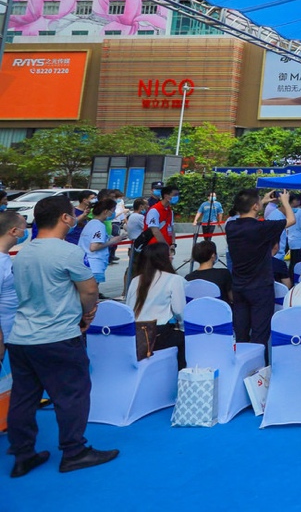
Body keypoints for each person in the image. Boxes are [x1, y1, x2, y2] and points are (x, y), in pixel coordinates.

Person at [5, 195, 118, 477]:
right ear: (65, 218)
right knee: (72, 394)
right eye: (73, 215)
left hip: (21, 337)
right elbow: (89, 290)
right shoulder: (67, 252)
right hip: (58, 336)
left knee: (23, 398)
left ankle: (23, 454)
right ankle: (74, 451)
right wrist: (86, 314)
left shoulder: (22, 253)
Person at [224, 188, 294, 347]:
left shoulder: (231, 226)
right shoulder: (261, 228)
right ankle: (258, 362)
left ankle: (242, 358)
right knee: (259, 334)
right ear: (255, 206)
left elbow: (246, 212)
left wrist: (261, 201)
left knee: (241, 332)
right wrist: (285, 202)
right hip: (260, 287)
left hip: (239, 287)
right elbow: (291, 220)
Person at [126, 242, 186, 368]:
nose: (172, 256)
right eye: (170, 253)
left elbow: (128, 308)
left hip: (136, 333)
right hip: (159, 334)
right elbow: (180, 311)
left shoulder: (136, 280)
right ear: (163, 258)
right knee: (185, 339)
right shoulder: (174, 279)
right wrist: (183, 328)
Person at [78, 199, 124, 286]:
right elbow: (94, 247)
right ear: (106, 211)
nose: (113, 213)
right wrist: (112, 241)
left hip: (85, 263)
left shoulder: (90, 223)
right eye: (113, 210)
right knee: (91, 291)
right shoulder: (99, 226)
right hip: (94, 265)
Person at [1, 210, 27, 350]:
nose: (25, 233)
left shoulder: (5, 258)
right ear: (14, 231)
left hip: (11, 333)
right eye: (24, 228)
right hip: (3, 337)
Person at [145, 185, 178, 249]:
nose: (177, 197)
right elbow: (155, 231)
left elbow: (172, 228)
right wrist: (166, 247)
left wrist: (173, 243)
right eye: (174, 195)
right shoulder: (154, 210)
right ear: (166, 196)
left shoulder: (169, 210)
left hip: (166, 247)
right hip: (154, 248)